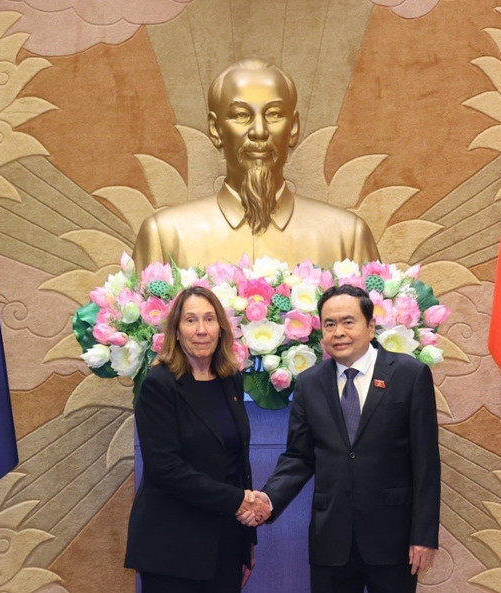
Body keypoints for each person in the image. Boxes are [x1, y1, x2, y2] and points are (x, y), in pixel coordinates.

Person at [241, 285, 441, 593]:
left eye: (348, 322)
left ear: (370, 326)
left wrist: (424, 536)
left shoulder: (409, 375)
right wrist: (269, 499)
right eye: (330, 324)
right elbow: (299, 457)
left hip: (393, 539)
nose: (339, 332)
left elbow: (426, 462)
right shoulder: (310, 383)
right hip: (331, 539)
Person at [132, 58, 380, 271]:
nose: (259, 131)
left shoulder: (348, 237)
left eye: (274, 114)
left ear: (293, 128)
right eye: (241, 115)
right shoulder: (165, 236)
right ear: (215, 129)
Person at [124, 286, 259, 592]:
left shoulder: (230, 379)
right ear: (176, 330)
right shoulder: (159, 383)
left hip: (225, 540)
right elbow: (165, 468)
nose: (201, 330)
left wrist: (245, 543)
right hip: (173, 545)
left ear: (221, 329)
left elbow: (238, 464)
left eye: (209, 319)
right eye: (191, 320)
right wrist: (238, 500)